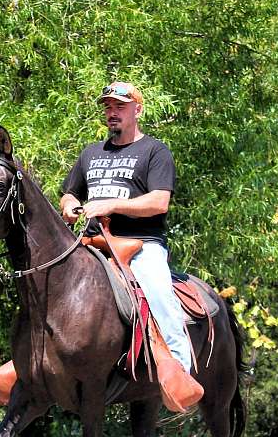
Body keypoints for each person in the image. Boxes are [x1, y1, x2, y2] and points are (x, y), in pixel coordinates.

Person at [60, 81, 192, 374]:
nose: (112, 113)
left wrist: (111, 205)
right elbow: (70, 192)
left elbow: (159, 201)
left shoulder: (155, 151)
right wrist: (68, 205)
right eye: (108, 107)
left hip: (140, 245)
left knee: (159, 293)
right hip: (91, 243)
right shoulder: (90, 153)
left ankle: (180, 369)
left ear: (138, 110)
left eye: (120, 106)